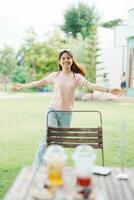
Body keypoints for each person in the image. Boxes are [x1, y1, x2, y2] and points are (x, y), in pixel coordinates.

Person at [12, 49, 124, 167]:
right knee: (47, 139)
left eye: (68, 58)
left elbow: (91, 85)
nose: (66, 60)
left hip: (67, 113)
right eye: (63, 58)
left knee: (59, 143)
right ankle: (36, 168)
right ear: (60, 62)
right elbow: (39, 83)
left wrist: (109, 90)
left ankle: (53, 167)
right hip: (53, 111)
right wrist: (22, 85)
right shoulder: (55, 75)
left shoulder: (77, 77)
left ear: (72, 60)